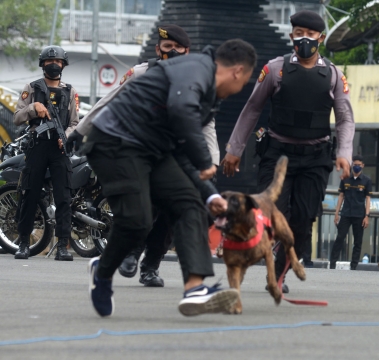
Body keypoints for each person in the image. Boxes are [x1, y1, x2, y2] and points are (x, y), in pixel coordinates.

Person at [85, 39, 257, 317]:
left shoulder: (208, 96)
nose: (239, 90)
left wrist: (209, 193)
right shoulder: (196, 69)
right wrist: (204, 160)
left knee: (189, 203)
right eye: (245, 81)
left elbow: (179, 151)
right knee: (137, 222)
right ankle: (102, 273)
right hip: (114, 142)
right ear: (238, 71)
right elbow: (180, 110)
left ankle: (194, 288)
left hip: (154, 150)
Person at [69, 24, 220, 287]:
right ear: (157, 50)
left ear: (188, 51)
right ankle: (130, 253)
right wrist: (79, 131)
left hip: (173, 154)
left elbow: (207, 126)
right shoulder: (141, 73)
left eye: (178, 49)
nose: (172, 53)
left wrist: (212, 164)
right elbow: (109, 102)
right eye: (167, 48)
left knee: (179, 209)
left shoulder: (196, 81)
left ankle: (153, 266)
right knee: (141, 211)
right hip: (136, 153)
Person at [221, 10, 355, 293]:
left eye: (310, 34)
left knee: (303, 221)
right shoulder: (273, 70)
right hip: (277, 154)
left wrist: (344, 152)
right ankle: (273, 273)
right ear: (291, 35)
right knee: (271, 215)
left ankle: (279, 275)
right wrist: (234, 148)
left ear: (321, 37)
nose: (303, 39)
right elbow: (252, 109)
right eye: (298, 33)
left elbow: (344, 119)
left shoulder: (333, 75)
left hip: (315, 158)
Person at [13, 45, 79, 261]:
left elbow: (74, 123)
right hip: (37, 146)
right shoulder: (32, 88)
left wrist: (66, 137)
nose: (54, 65)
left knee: (63, 197)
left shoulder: (70, 91)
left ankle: (62, 246)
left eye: (58, 62)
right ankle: (23, 243)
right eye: (51, 62)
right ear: (43, 65)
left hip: (59, 150)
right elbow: (17, 117)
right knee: (29, 194)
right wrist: (34, 108)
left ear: (63, 65)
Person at [329, 155, 371, 270]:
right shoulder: (345, 178)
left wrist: (367, 216)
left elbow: (368, 199)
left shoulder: (366, 181)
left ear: (363, 166)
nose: (356, 167)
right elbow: (341, 196)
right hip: (346, 214)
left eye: (359, 165)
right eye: (355, 165)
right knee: (340, 238)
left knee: (357, 242)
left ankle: (354, 266)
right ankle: (332, 264)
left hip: (359, 215)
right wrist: (336, 213)